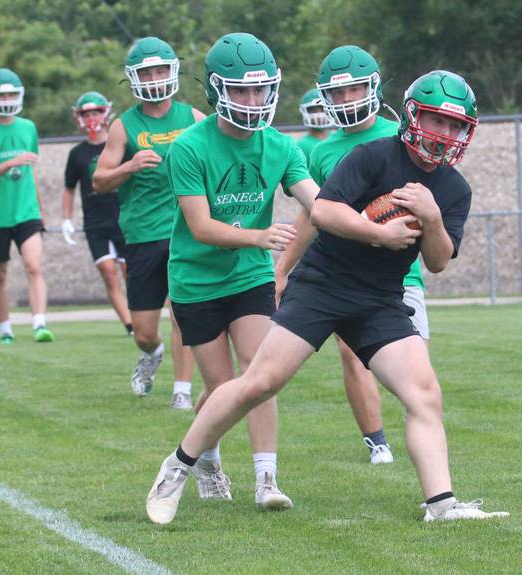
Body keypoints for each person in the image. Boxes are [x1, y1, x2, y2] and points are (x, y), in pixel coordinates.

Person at [146, 70, 510, 524]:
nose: (447, 134)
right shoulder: (373, 155)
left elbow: (437, 261)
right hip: (324, 284)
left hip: (379, 298)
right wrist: (377, 233)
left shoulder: (454, 189)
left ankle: (441, 504)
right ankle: (177, 467)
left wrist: (432, 218)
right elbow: (324, 210)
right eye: (439, 121)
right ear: (415, 116)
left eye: (457, 126)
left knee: (424, 394)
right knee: (260, 382)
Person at [162, 32, 318, 510]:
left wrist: (364, 224)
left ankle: (267, 479)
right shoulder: (188, 146)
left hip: (250, 275)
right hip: (196, 279)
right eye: (241, 90)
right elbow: (201, 226)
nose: (253, 101)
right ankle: (206, 459)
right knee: (221, 387)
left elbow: (317, 203)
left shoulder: (282, 147)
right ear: (215, 91)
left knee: (261, 374)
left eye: (260, 89)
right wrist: (259, 236)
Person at [275, 45, 428, 465]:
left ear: (373, 87)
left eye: (354, 89)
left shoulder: (401, 138)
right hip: (344, 274)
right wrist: (283, 267)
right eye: (337, 93)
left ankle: (430, 457)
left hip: (399, 274)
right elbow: (313, 214)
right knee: (350, 351)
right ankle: (378, 441)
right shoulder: (321, 151)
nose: (346, 100)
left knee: (417, 378)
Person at [93, 36, 198, 409]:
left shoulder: (193, 118)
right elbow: (99, 180)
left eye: (160, 70)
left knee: (183, 311)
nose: (154, 78)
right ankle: (150, 355)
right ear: (134, 78)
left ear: (172, 72)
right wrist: (129, 166)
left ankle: (182, 391)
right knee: (144, 331)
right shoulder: (124, 126)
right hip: (142, 235)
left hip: (186, 231)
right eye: (146, 72)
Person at [0, 68, 55, 345]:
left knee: (33, 266)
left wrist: (41, 212)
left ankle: (39, 324)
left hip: (27, 212)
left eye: (10, 93)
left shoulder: (28, 127)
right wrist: (10, 162)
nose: (6, 98)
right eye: (1, 94)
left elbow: (32, 175)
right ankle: (5, 328)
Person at [62, 91, 132, 336]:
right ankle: (130, 325)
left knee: (127, 273)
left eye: (95, 112)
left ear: (105, 113)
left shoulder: (118, 144)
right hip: (94, 224)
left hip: (122, 219)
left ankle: (140, 318)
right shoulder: (77, 154)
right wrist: (66, 220)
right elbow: (69, 188)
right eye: (86, 113)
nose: (91, 117)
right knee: (109, 273)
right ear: (78, 117)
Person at [295, 88, 332, 165]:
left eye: (322, 109)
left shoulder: (337, 138)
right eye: (313, 110)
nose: (319, 115)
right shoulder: (300, 146)